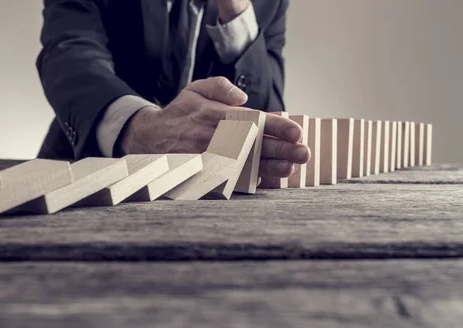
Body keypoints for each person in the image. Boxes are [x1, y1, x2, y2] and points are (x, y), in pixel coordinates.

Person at [37, 0, 310, 188]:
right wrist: (138, 130)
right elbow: (69, 53)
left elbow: (267, 112)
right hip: (84, 179)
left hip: (208, 200)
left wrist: (237, 16)